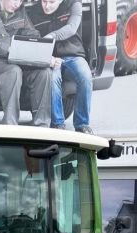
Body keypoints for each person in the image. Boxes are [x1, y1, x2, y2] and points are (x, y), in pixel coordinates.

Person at [0, 0, 52, 127]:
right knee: (13, 71)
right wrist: (9, 49)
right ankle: (10, 124)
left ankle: (42, 124)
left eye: (21, 1)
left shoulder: (20, 11)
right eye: (16, 0)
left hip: (12, 60)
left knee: (43, 72)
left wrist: (37, 49)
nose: (18, 4)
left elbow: (32, 33)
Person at [28, 0, 94, 134]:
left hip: (73, 55)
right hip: (50, 58)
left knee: (85, 76)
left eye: (51, 2)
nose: (47, 6)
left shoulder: (73, 5)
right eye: (44, 1)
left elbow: (71, 28)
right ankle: (57, 124)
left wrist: (52, 36)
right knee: (52, 79)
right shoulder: (32, 12)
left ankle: (82, 124)